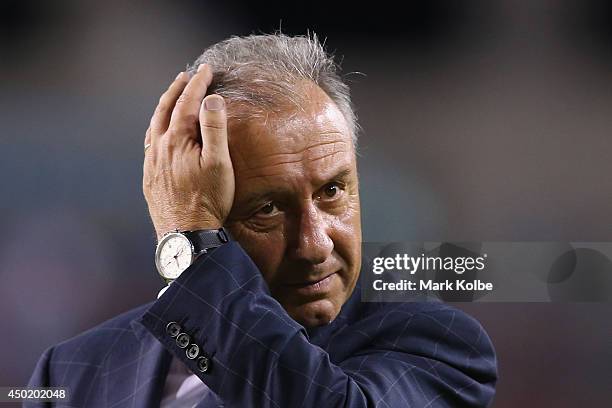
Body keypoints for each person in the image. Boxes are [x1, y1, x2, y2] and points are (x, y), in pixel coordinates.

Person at [27, 33, 497, 407]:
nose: (314, 245)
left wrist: (188, 240)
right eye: (267, 209)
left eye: (332, 191)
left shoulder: (437, 345)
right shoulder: (71, 372)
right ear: (195, 202)